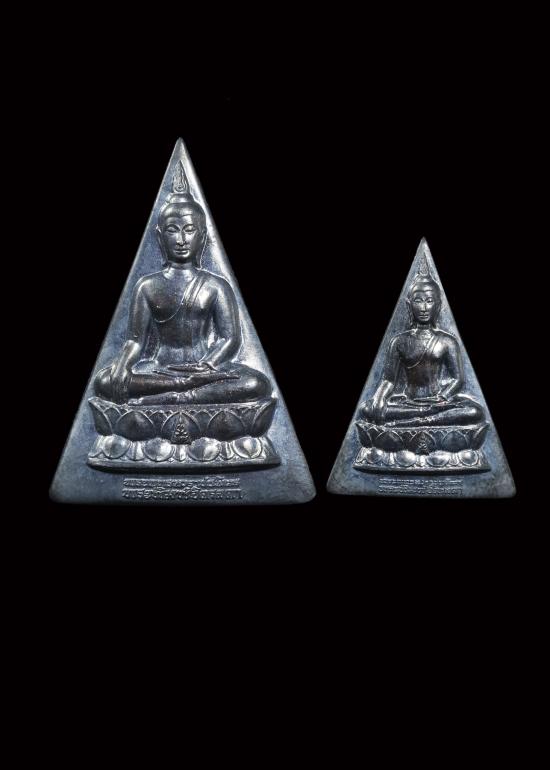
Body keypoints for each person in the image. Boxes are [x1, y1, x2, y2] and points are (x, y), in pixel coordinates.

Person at [95, 162, 270, 405]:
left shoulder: (216, 285)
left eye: (189, 230)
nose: (181, 239)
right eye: (172, 230)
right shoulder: (147, 286)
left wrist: (207, 364)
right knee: (103, 381)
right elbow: (135, 341)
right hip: (160, 370)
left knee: (256, 384)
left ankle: (175, 396)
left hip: (204, 369)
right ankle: (180, 389)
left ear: (202, 236)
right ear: (159, 237)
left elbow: (230, 339)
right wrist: (122, 364)